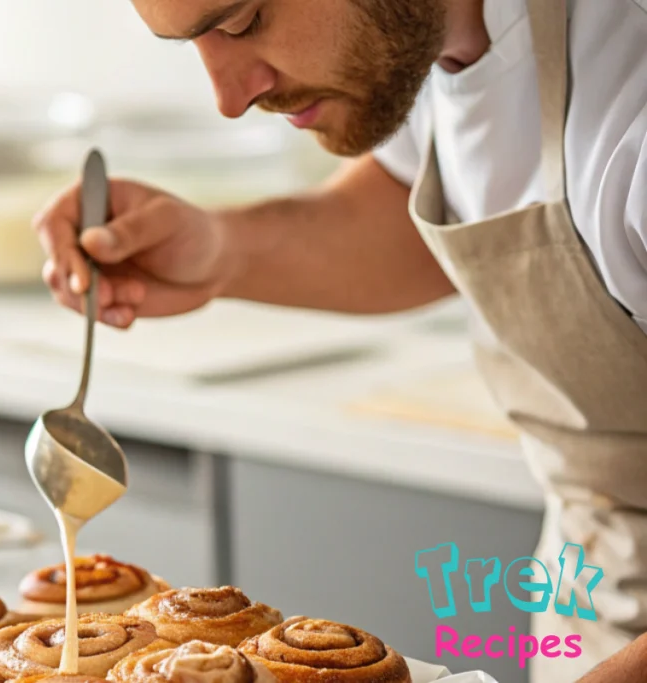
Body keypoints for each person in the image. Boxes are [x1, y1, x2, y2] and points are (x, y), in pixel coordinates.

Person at [35, 1, 647, 681]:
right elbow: (435, 200)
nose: (229, 98)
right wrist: (224, 248)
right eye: (190, 44)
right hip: (593, 598)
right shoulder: (429, 37)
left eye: (243, 22)